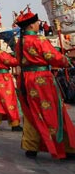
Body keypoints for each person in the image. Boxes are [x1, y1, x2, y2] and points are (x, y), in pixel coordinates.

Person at [14, 9, 75, 159]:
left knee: (31, 111)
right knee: (52, 111)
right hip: (41, 80)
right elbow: (53, 57)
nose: (38, 25)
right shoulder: (39, 40)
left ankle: (31, 146)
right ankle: (66, 147)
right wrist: (66, 61)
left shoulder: (19, 43)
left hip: (25, 79)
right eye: (36, 22)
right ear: (31, 26)